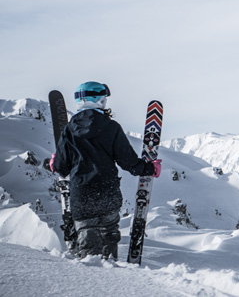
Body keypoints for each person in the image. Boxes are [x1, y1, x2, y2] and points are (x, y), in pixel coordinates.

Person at [49, 81, 162, 260]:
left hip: (82, 194)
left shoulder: (69, 130)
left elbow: (62, 168)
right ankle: (112, 276)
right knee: (109, 238)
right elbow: (129, 162)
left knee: (88, 245)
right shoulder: (111, 127)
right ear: (100, 100)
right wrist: (150, 168)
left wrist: (54, 162)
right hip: (107, 193)